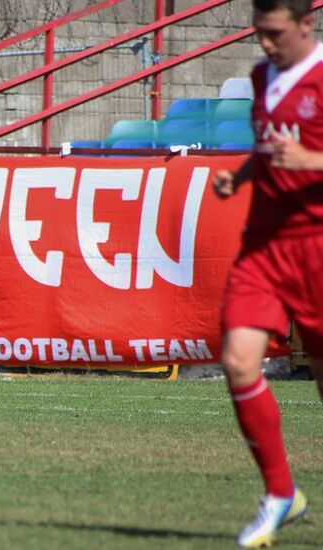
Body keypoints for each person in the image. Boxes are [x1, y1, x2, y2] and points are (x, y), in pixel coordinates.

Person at [212, 0, 322, 546]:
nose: (265, 44)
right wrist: (241, 176)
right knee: (237, 361)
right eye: (258, 33)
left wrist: (311, 161)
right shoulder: (262, 75)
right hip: (263, 249)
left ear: (306, 24)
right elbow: (270, 148)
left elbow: (301, 155)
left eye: (275, 33)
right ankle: (281, 493)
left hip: (318, 251)